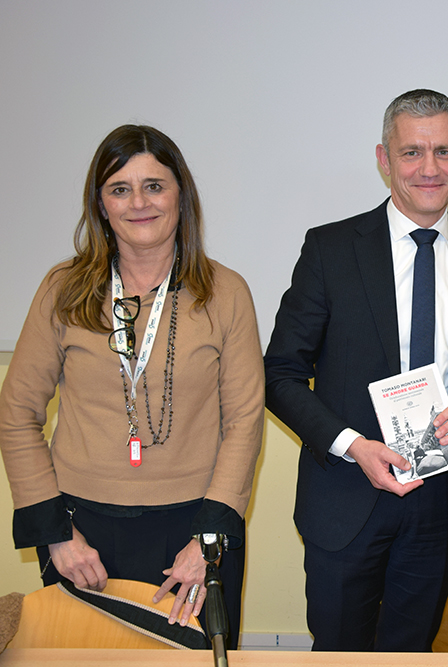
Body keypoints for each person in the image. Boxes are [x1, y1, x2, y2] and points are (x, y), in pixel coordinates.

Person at [0, 125, 265, 647]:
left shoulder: (227, 292)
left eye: (154, 186)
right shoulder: (63, 289)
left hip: (194, 528)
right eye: (120, 189)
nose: (138, 202)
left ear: (180, 196)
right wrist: (56, 537)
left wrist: (206, 542)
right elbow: (17, 414)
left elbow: (244, 422)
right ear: (100, 205)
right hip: (81, 534)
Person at [263, 89, 448, 652]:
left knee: (410, 655)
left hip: (439, 503)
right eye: (412, 152)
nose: (430, 168)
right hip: (347, 495)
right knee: (340, 655)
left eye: (444, 152)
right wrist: (352, 445)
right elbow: (279, 373)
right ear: (383, 159)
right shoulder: (329, 250)